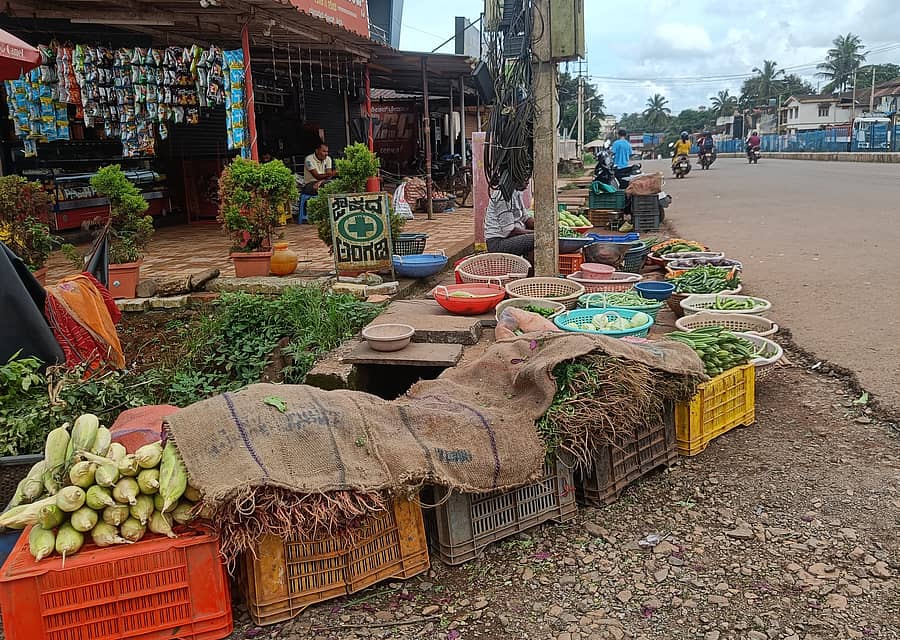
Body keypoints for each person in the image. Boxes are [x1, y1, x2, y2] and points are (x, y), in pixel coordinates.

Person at [484, 184, 534, 263]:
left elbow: (525, 218)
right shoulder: (502, 195)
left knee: (541, 236)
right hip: (498, 243)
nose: (528, 182)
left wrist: (544, 226)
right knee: (536, 239)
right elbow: (510, 231)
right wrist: (538, 232)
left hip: (508, 238)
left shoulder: (516, 192)